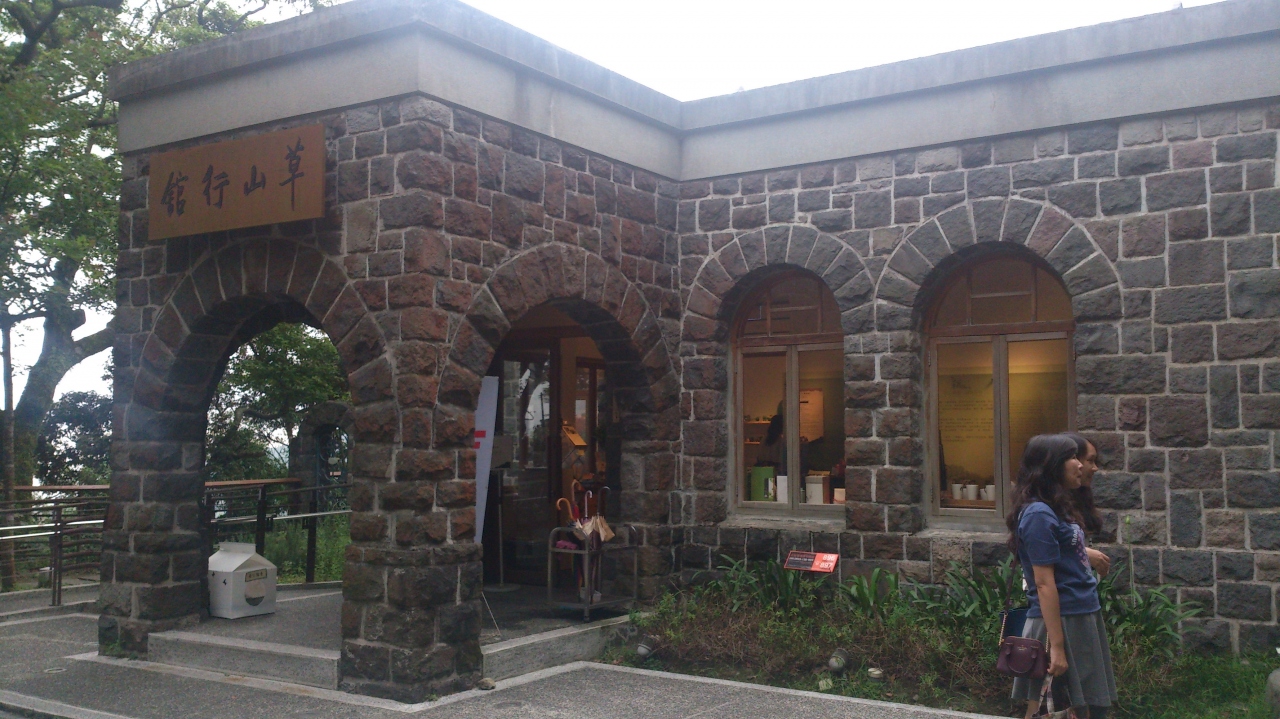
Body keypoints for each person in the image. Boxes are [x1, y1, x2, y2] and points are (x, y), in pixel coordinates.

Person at [1007, 434, 1117, 719]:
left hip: (1079, 615)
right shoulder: (1038, 514)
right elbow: (1044, 583)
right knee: (1048, 706)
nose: (1080, 465)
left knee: (1075, 707)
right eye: (1072, 458)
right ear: (1052, 465)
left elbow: (1066, 552)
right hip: (1060, 621)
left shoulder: (1055, 507)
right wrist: (1056, 647)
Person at [1064, 433, 1110, 579]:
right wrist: (1082, 553)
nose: (1095, 468)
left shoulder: (1079, 500)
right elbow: (1040, 551)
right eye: (1090, 460)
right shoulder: (1042, 508)